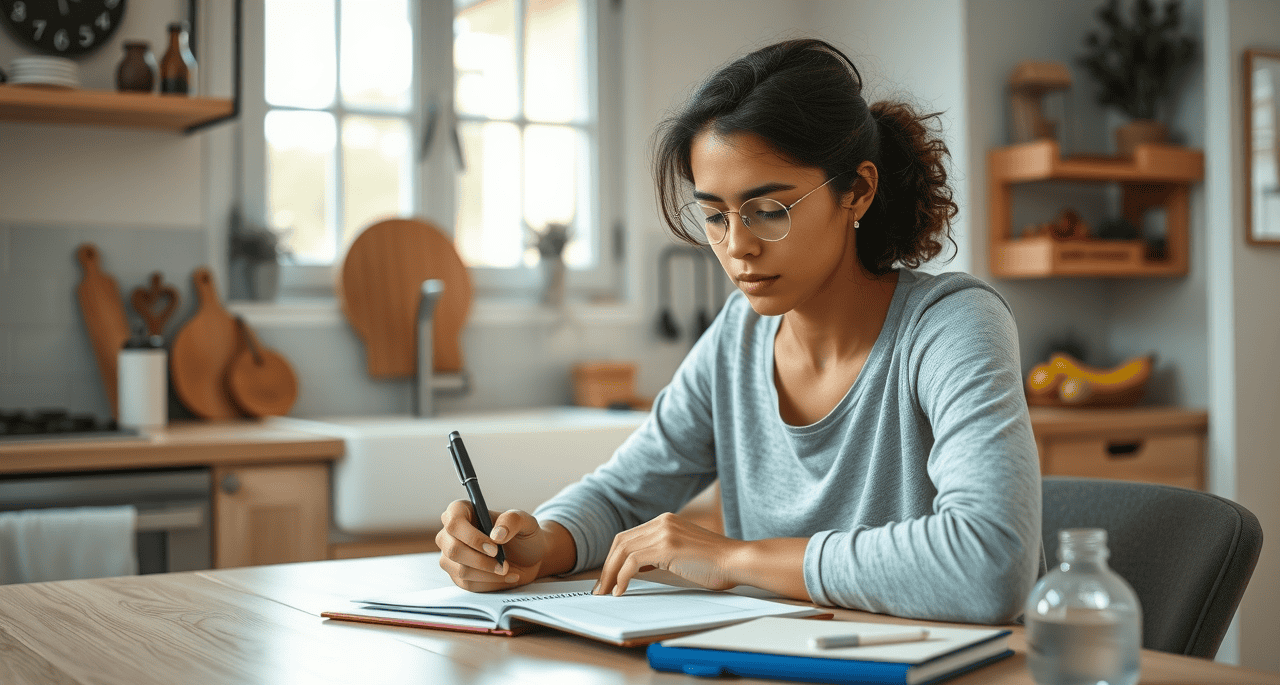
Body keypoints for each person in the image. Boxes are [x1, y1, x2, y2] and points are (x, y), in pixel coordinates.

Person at [436, 38, 1041, 624]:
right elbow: (624, 495)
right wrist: (541, 546)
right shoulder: (737, 338)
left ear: (856, 191)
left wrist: (735, 559)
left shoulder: (951, 326)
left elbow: (991, 561)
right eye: (715, 217)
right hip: (782, 683)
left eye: (769, 210)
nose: (738, 247)